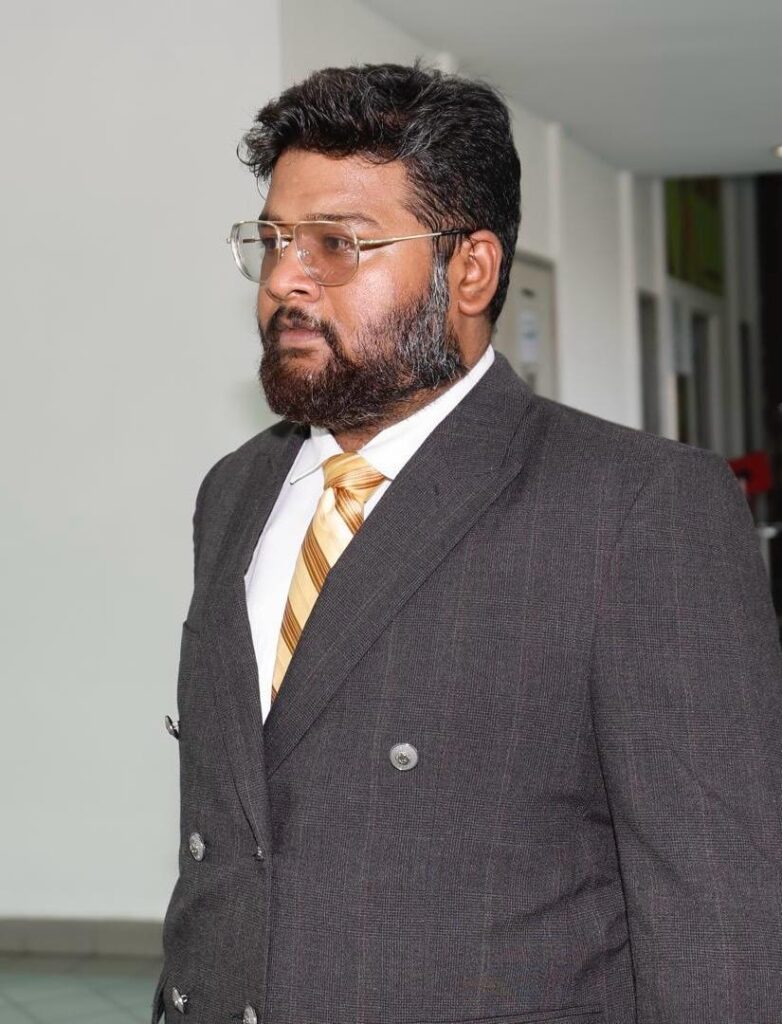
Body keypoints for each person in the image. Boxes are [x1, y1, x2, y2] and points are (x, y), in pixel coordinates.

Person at [153, 61, 782, 1024]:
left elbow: (720, 910)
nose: (286, 276)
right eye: (273, 239)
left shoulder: (638, 509)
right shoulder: (233, 493)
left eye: (339, 243)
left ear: (472, 269)